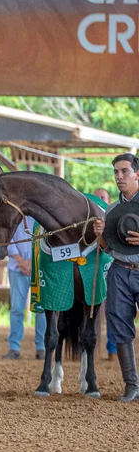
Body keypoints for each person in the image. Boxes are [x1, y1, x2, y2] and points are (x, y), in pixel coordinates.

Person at [93, 153, 139, 402]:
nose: (119, 177)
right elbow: (106, 247)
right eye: (116, 173)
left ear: (137, 174)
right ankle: (132, 385)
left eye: (124, 171)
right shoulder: (112, 210)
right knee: (119, 326)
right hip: (120, 271)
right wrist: (100, 234)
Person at [4, 215, 46, 360]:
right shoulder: (13, 216)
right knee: (16, 308)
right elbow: (8, 238)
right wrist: (20, 261)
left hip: (40, 267)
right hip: (17, 267)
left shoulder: (42, 215)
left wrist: (33, 261)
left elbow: (46, 239)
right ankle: (14, 347)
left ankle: (42, 347)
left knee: (41, 308)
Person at [94, 188, 117, 358]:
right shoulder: (87, 220)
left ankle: (113, 349)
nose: (100, 200)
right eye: (97, 198)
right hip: (92, 272)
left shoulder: (116, 216)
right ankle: (90, 348)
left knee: (113, 311)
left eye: (103, 197)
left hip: (113, 270)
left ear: (108, 200)